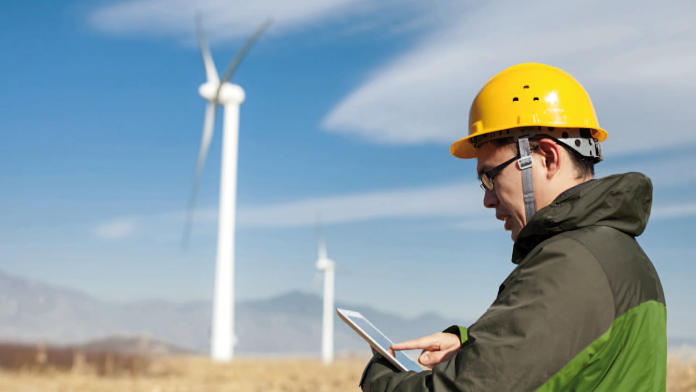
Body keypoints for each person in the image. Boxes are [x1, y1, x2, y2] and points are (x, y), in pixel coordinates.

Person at [359, 63, 666, 392]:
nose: (488, 199)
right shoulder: (620, 255)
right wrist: (472, 344)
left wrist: (381, 375)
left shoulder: (570, 263)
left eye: (490, 176)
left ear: (548, 157)